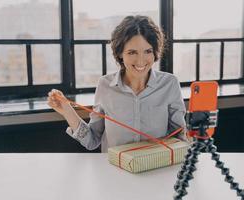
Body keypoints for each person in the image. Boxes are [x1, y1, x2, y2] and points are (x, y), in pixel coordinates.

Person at [48, 15, 189, 153]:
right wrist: (68, 111)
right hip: (115, 171)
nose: (141, 61)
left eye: (147, 51)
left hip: (156, 169)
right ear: (120, 53)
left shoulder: (169, 84)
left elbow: (180, 138)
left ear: (155, 52)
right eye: (132, 52)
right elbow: (92, 141)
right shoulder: (105, 85)